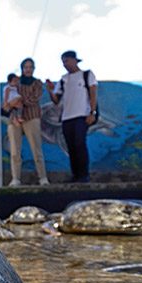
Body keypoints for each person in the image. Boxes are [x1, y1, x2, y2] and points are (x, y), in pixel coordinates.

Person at [45, 50, 98, 183]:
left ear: (74, 60)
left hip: (81, 115)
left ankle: (84, 175)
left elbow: (93, 93)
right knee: (71, 146)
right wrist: (50, 90)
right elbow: (56, 100)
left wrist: (92, 112)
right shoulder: (64, 79)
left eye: (67, 60)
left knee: (80, 143)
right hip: (66, 117)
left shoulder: (87, 75)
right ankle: (75, 175)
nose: (65, 64)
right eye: (63, 62)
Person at [4, 58, 48, 186]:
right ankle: (16, 178)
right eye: (26, 67)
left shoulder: (37, 83)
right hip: (14, 119)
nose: (28, 69)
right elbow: (6, 101)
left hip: (31, 116)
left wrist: (18, 101)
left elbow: (34, 98)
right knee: (14, 150)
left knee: (36, 149)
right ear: (22, 69)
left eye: (31, 67)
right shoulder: (15, 83)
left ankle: (43, 177)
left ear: (34, 69)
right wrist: (11, 104)